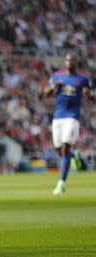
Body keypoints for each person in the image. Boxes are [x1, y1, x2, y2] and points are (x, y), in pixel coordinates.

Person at [42, 53, 94, 195]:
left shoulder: (82, 79)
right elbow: (44, 94)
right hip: (58, 117)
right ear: (65, 62)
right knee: (60, 151)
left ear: (75, 62)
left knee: (65, 147)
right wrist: (52, 87)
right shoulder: (57, 76)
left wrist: (89, 94)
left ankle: (61, 184)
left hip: (72, 118)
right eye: (68, 60)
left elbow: (93, 97)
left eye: (72, 60)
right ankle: (74, 156)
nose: (70, 62)